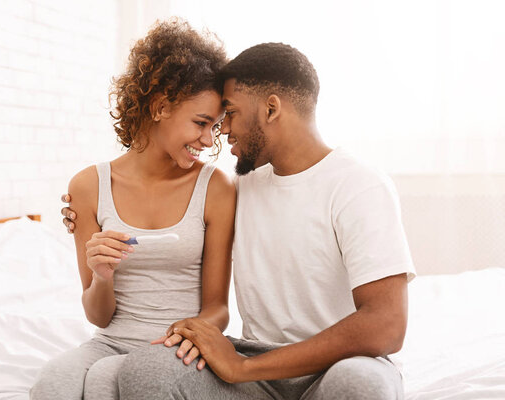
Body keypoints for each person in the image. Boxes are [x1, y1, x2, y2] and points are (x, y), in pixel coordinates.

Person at [62, 43, 415, 399]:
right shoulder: (242, 188)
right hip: (257, 374)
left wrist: (244, 368)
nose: (223, 131)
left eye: (229, 113)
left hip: (338, 366)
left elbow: (386, 326)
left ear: (271, 108)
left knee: (360, 384)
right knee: (148, 369)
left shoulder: (359, 186)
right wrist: (81, 211)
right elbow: (174, 211)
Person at [31, 20, 235, 400]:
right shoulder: (88, 187)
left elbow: (218, 309)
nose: (209, 140)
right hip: (108, 342)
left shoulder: (216, 188)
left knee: (106, 380)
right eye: (201, 123)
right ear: (159, 107)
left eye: (216, 127)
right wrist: (102, 275)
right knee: (51, 386)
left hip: (178, 346)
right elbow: (97, 316)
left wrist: (186, 334)